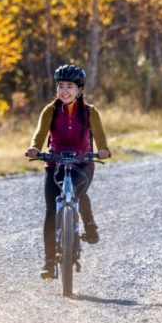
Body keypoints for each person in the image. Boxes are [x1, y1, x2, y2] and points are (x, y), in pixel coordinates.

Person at [25, 63, 111, 279]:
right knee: (51, 211)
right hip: (55, 162)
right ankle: (49, 261)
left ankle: (89, 224)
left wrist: (102, 149)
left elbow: (99, 134)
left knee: (78, 194)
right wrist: (35, 148)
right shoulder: (50, 110)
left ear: (80, 89)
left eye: (70, 86)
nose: (65, 91)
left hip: (83, 162)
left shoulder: (90, 112)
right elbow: (40, 132)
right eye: (61, 86)